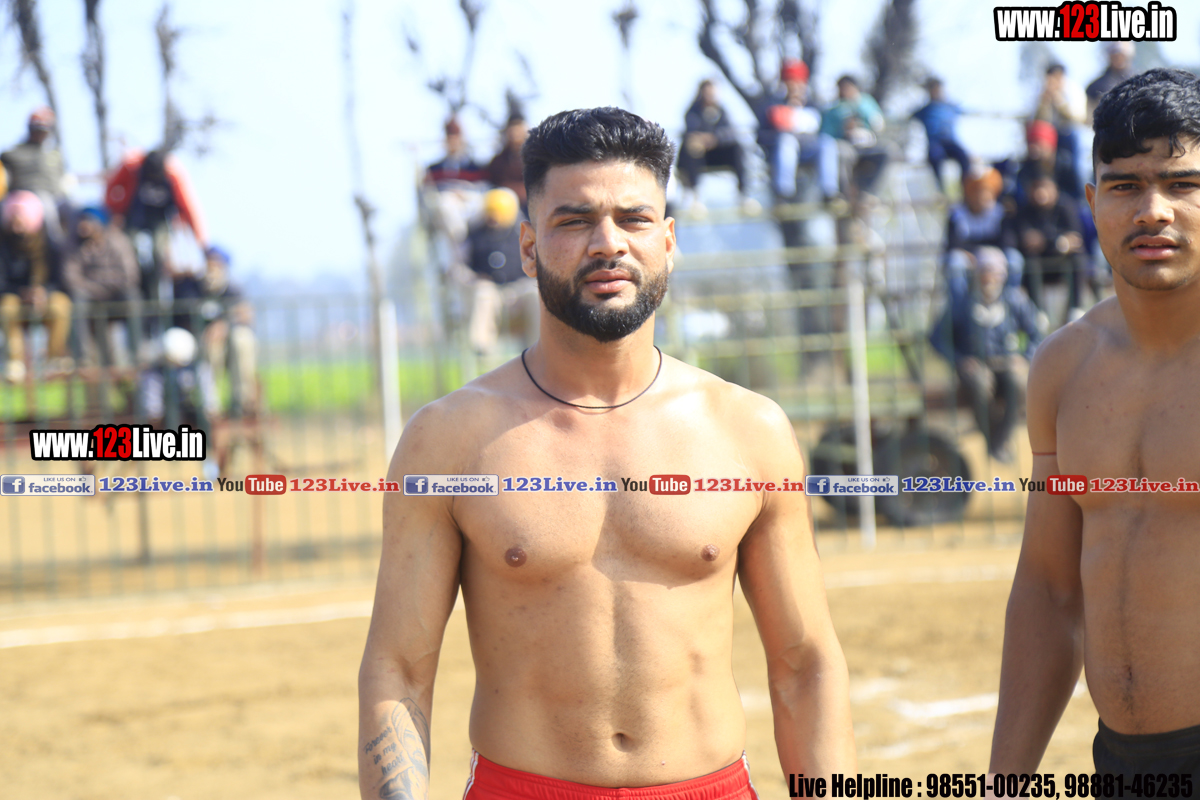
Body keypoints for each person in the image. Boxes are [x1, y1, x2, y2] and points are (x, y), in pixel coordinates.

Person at [358, 107, 856, 800]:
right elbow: (400, 670)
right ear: (528, 246)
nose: (608, 243)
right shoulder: (448, 440)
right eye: (574, 221)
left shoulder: (749, 431)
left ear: (668, 241)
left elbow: (805, 664)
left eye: (633, 218)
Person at [989, 67, 1200, 781]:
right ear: (1092, 202)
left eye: (1182, 184)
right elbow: (1049, 591)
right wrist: (1004, 782)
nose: (1153, 210)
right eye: (1125, 185)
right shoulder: (1063, 367)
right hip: (1121, 764)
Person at [930, 246, 1042, 463]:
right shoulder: (962, 303)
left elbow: (1037, 334)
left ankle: (999, 441)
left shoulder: (1015, 301)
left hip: (1007, 362)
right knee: (980, 384)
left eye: (994, 272)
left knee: (1019, 382)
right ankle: (992, 439)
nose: (989, 277)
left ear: (1003, 275)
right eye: (984, 271)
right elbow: (936, 338)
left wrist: (1025, 357)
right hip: (976, 364)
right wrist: (959, 360)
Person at [105, 148, 208, 332]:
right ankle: (136, 286)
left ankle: (155, 293)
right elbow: (112, 188)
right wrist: (115, 212)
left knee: (158, 254)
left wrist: (201, 242)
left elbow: (188, 207)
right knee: (131, 251)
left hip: (159, 221)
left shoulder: (173, 174)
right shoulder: (131, 167)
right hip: (134, 218)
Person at [0, 191, 72, 381]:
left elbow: (61, 280)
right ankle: (16, 363)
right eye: (13, 222)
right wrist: (21, 293)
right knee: (7, 307)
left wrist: (44, 292)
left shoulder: (50, 246)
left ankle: (54, 360)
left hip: (44, 298)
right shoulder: (3, 245)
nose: (16, 227)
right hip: (15, 298)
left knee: (61, 304)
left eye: (20, 221)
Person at [63, 205, 140, 367]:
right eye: (81, 221)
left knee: (133, 297)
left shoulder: (119, 241)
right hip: (90, 297)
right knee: (77, 299)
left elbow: (129, 275)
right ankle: (82, 358)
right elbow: (71, 278)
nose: (83, 225)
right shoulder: (74, 244)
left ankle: (135, 354)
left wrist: (102, 286)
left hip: (116, 295)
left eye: (88, 221)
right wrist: (97, 288)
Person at [463, 187, 537, 356]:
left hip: (519, 289)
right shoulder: (474, 235)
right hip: (491, 291)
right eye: (491, 213)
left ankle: (539, 348)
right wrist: (473, 278)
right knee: (483, 293)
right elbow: (463, 266)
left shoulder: (523, 234)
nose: (494, 219)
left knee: (535, 293)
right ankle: (482, 349)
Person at [1013, 172, 1086, 322]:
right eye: (1036, 188)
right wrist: (1059, 242)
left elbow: (1075, 239)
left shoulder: (1066, 207)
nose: (1041, 193)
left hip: (1062, 264)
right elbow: (1027, 241)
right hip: (1038, 265)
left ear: (1055, 189)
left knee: (1078, 258)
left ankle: (1075, 308)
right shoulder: (1025, 211)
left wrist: (1047, 242)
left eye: (1045, 187)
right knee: (1030, 260)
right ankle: (1037, 312)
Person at [945, 167, 1021, 299]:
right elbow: (953, 244)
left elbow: (1008, 242)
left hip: (995, 256)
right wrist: (975, 255)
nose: (982, 196)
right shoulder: (957, 214)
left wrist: (989, 255)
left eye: (986, 191)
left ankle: (1010, 303)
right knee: (954, 263)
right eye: (977, 191)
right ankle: (960, 307)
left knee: (1014, 259)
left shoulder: (1000, 213)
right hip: (968, 258)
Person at [756, 59, 828, 202]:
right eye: (791, 82)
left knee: (827, 143)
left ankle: (829, 193)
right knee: (787, 141)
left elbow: (823, 130)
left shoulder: (813, 105)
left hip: (808, 151)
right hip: (781, 152)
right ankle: (784, 192)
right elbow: (761, 136)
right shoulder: (773, 105)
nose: (795, 87)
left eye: (799, 83)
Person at [677, 80, 752, 212]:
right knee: (691, 149)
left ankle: (744, 195)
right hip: (700, 155)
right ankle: (693, 194)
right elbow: (691, 133)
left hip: (718, 153)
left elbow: (729, 132)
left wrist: (714, 139)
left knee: (737, 148)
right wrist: (702, 140)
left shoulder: (722, 111)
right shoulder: (692, 112)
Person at [1, 108, 68, 245]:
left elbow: (63, 182)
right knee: (47, 208)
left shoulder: (55, 155)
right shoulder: (12, 154)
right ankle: (56, 246)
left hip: (55, 197)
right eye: (37, 129)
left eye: (44, 130)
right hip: (23, 198)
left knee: (72, 210)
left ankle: (65, 249)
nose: (41, 133)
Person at [820, 75, 887, 203]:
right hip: (845, 143)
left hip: (867, 144)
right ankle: (844, 194)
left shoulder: (866, 102)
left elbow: (878, 124)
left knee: (885, 152)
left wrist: (859, 107)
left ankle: (868, 192)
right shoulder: (835, 109)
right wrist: (843, 130)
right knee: (842, 154)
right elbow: (826, 133)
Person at [1033, 63, 1088, 200]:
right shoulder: (1042, 91)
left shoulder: (1073, 90)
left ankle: (1080, 191)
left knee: (1076, 153)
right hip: (1051, 135)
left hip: (1071, 133)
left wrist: (1059, 101)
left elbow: (1078, 118)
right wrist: (1044, 102)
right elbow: (1039, 120)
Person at [911, 77, 970, 192]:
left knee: (964, 157)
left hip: (951, 142)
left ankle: (964, 189)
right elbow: (911, 116)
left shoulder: (950, 107)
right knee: (935, 157)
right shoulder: (925, 110)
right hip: (935, 143)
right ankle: (941, 190)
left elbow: (967, 110)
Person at [486, 113, 529, 209]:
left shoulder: (536, 158)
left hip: (529, 205)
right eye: (512, 129)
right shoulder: (499, 161)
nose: (515, 133)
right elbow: (492, 183)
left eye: (518, 129)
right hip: (503, 205)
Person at [1086, 42, 1136, 121]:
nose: (1118, 58)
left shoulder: (1138, 83)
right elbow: (1089, 117)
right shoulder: (1095, 86)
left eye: (1121, 55)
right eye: (1115, 54)